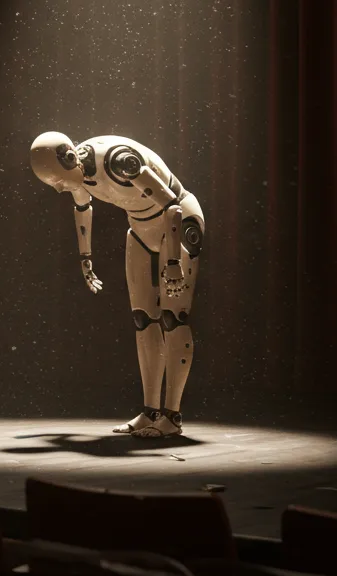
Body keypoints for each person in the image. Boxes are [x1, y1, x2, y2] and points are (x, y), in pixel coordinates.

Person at [29, 132, 205, 438]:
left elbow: (172, 207)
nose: (58, 188)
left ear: (70, 159)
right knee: (143, 319)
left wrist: (174, 260)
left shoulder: (119, 161)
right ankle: (150, 411)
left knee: (173, 319)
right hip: (140, 227)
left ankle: (172, 416)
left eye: (57, 181)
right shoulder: (78, 171)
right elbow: (83, 208)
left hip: (177, 223)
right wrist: (85, 258)